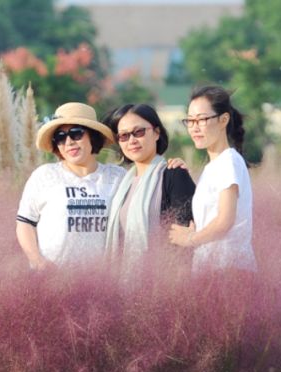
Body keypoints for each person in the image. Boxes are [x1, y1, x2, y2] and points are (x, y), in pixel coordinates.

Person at [16, 102, 125, 269]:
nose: (68, 142)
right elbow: (25, 223)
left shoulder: (117, 177)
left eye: (76, 133)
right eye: (60, 137)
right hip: (52, 279)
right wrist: (37, 260)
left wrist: (171, 168)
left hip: (103, 281)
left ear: (92, 137)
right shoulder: (44, 175)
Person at [168, 85, 256, 273]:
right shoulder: (213, 167)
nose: (194, 128)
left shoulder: (228, 161)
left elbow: (225, 220)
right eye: (190, 121)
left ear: (223, 120)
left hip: (229, 271)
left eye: (201, 120)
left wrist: (189, 240)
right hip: (210, 270)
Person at [102, 103, 196, 272]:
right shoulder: (123, 183)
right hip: (124, 283)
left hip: (163, 281)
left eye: (139, 132)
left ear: (157, 133)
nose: (132, 140)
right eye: (123, 136)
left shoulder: (174, 175)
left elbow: (187, 236)